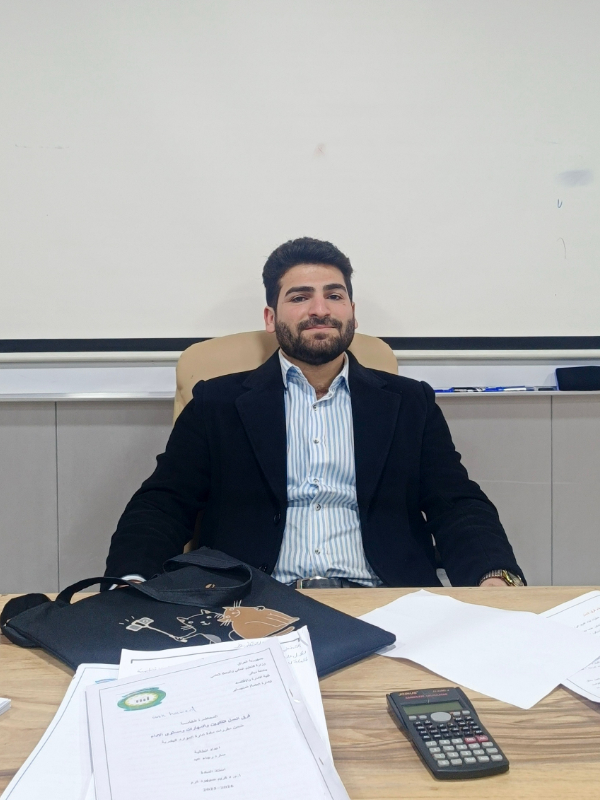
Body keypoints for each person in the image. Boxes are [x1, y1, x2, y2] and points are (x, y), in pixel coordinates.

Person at [105, 237, 525, 588]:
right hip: (251, 602)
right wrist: (131, 580)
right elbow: (163, 504)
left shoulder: (410, 403)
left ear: (352, 315)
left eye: (334, 295)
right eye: (300, 297)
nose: (320, 309)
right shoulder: (217, 403)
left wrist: (494, 576)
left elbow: (457, 504)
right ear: (271, 318)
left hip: (387, 599)